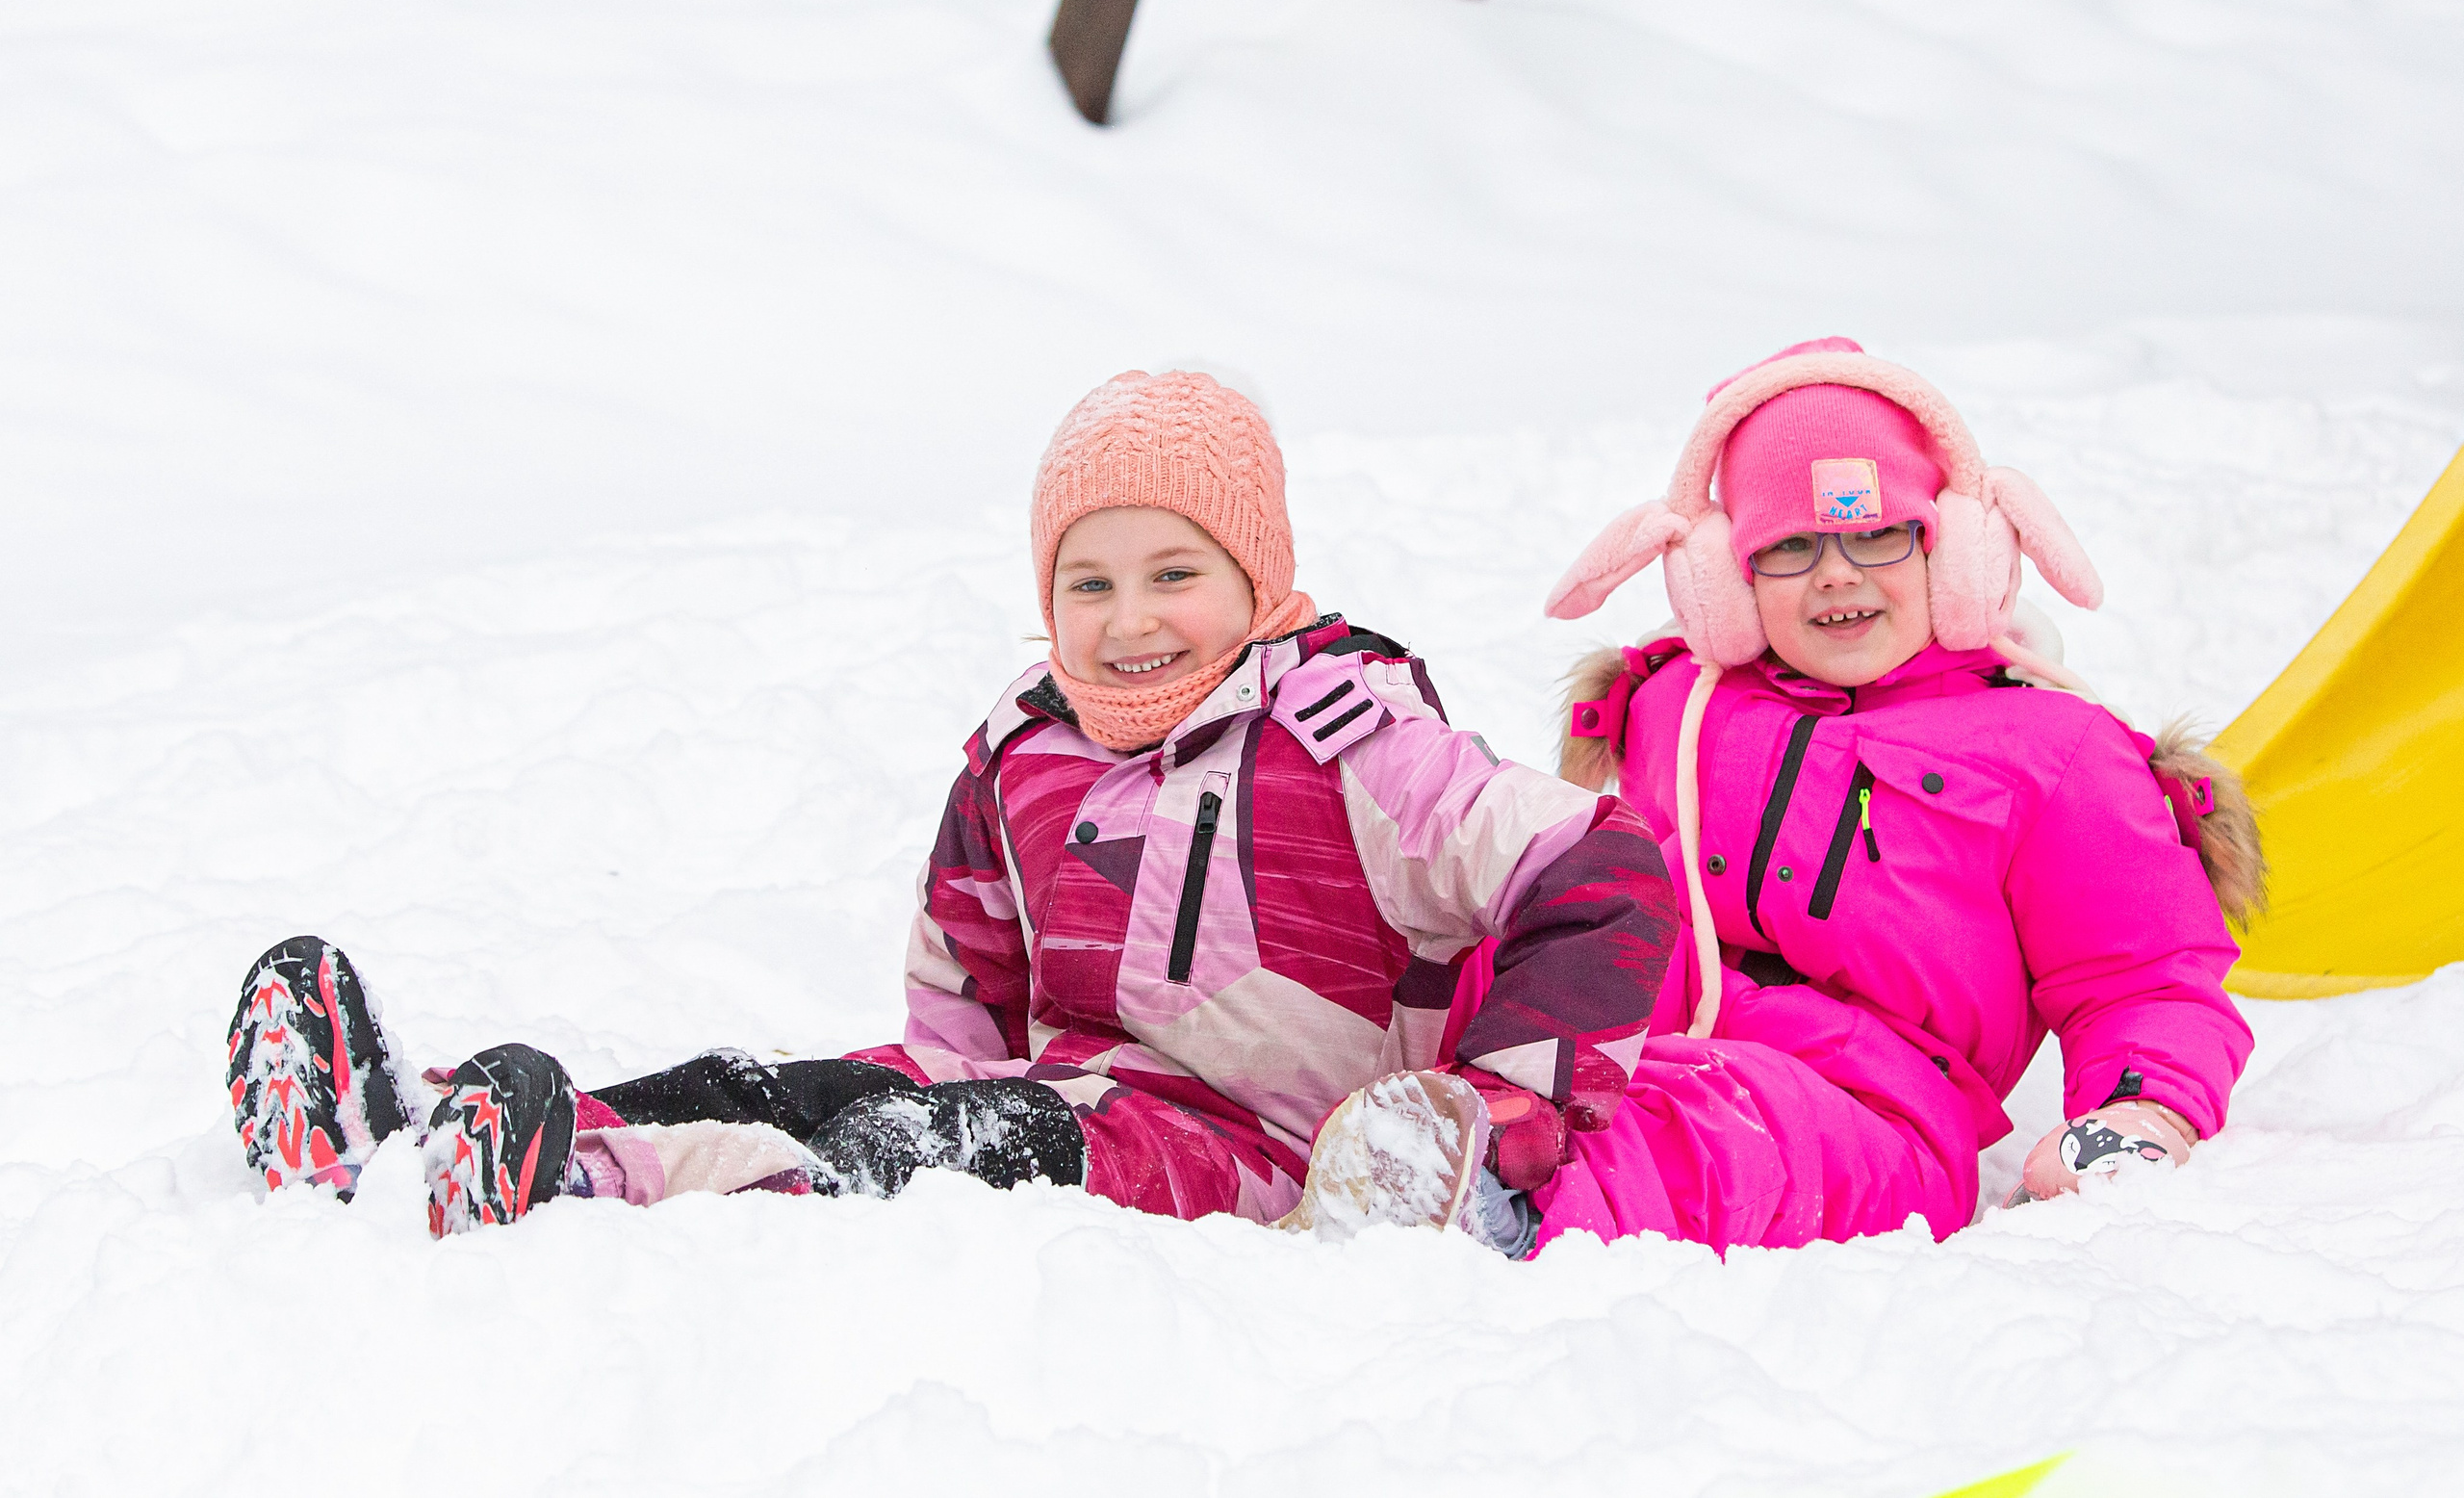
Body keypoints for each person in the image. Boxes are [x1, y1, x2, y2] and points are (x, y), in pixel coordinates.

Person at [227, 370, 1684, 1247]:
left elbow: (1606, 870)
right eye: (1089, 582)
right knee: (794, 1086)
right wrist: (923, 1076)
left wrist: (1487, 1114)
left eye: (1175, 574)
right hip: (1060, 1093)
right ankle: (415, 1130)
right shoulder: (1025, 747)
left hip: (1252, 1153)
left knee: (919, 1158)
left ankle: (576, 1190)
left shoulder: (1353, 737)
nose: (1130, 622)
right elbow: (961, 964)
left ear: (1257, 579)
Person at [1290, 337, 2259, 1253]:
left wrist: (2141, 1108)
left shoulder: (2051, 749)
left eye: (1877, 536)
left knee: (1709, 1125)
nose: (1836, 575)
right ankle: (1248, 1088)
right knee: (1439, 956)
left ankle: (1484, 1208)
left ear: (1952, 550)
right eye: (1790, 549)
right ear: (1726, 577)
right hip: (1628, 1030)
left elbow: (2142, 975)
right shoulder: (1684, 701)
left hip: (1867, 1107)